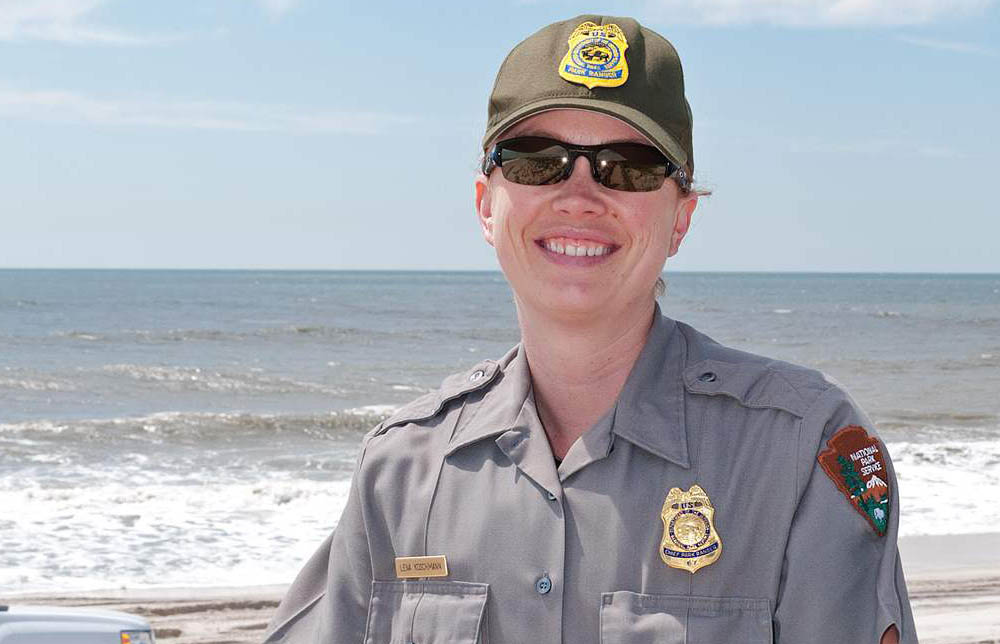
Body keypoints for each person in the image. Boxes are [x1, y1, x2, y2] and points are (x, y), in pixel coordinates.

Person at [264, 14, 916, 643]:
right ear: (486, 206)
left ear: (680, 219)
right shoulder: (402, 473)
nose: (579, 195)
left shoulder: (800, 453)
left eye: (626, 166)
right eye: (534, 160)